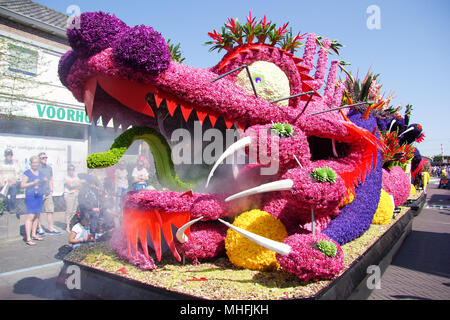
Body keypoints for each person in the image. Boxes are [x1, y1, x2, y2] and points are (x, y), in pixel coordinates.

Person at [20, 156, 44, 246]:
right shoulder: (27, 173)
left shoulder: (40, 173)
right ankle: (28, 238)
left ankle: (34, 234)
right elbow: (22, 185)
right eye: (33, 162)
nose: (35, 164)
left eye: (36, 162)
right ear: (31, 163)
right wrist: (33, 183)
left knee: (37, 216)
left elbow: (41, 182)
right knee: (30, 216)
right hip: (31, 196)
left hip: (39, 195)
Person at [0, 148, 20, 213]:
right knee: (2, 192)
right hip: (4, 182)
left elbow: (17, 174)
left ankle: (13, 207)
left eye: (10, 155)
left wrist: (13, 181)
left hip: (12, 182)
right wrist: (2, 182)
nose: (9, 156)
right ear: (5, 156)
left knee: (13, 188)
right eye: (7, 155)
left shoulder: (15, 163)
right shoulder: (1, 163)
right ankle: (5, 207)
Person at [64, 164, 81, 232]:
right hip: (69, 194)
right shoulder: (66, 177)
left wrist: (76, 185)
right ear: (68, 171)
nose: (71, 171)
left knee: (74, 210)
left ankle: (72, 224)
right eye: (70, 170)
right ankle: (67, 226)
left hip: (76, 194)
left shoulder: (76, 177)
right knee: (69, 210)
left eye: (72, 170)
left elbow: (80, 185)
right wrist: (76, 185)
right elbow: (70, 185)